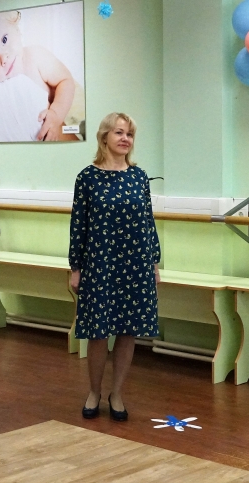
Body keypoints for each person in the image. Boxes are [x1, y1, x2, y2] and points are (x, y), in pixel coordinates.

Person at [69, 112, 160, 422]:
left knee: (128, 331)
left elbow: (148, 222)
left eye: (130, 134)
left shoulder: (139, 177)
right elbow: (78, 225)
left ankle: (117, 393)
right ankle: (94, 391)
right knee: (98, 332)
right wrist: (76, 267)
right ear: (104, 137)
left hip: (136, 263)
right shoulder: (87, 177)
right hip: (100, 263)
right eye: (119, 132)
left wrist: (154, 262)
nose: (125, 138)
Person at [0, 11, 75, 141]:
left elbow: (66, 80)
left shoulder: (35, 56)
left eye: (4, 40)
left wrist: (56, 114)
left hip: (64, 116)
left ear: (17, 29)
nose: (3, 58)